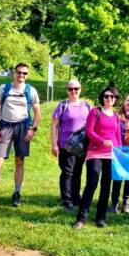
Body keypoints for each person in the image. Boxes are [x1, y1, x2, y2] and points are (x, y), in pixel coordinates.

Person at [0, 63, 41, 208]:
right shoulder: (3, 88)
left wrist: (32, 130)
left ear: (27, 75)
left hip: (23, 127)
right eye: (19, 73)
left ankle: (17, 193)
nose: (21, 76)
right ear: (13, 73)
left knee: (19, 161)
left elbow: (37, 113)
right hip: (5, 126)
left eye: (24, 74)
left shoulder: (31, 91)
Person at [74, 86, 122, 229]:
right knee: (92, 184)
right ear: (102, 97)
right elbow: (89, 131)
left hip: (111, 155)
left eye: (112, 97)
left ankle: (101, 218)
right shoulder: (95, 112)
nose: (109, 99)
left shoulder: (116, 116)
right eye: (106, 96)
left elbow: (118, 136)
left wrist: (119, 152)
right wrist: (102, 141)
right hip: (95, 152)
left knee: (106, 186)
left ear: (115, 99)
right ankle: (81, 218)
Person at [50, 79, 93, 212]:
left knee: (78, 172)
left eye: (76, 89)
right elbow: (54, 126)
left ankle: (76, 197)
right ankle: (66, 199)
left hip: (82, 146)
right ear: (67, 90)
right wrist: (54, 144)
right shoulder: (62, 105)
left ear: (80, 90)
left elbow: (92, 124)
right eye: (70, 89)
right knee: (67, 172)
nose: (73, 91)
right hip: (65, 145)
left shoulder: (87, 105)